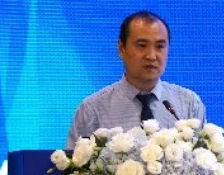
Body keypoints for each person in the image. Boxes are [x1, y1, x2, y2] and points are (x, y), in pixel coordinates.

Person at [66, 10, 206, 149]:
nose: (151, 56)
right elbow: (75, 162)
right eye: (142, 46)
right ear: (121, 48)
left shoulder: (188, 104)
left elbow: (204, 159)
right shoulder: (92, 110)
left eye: (159, 46)